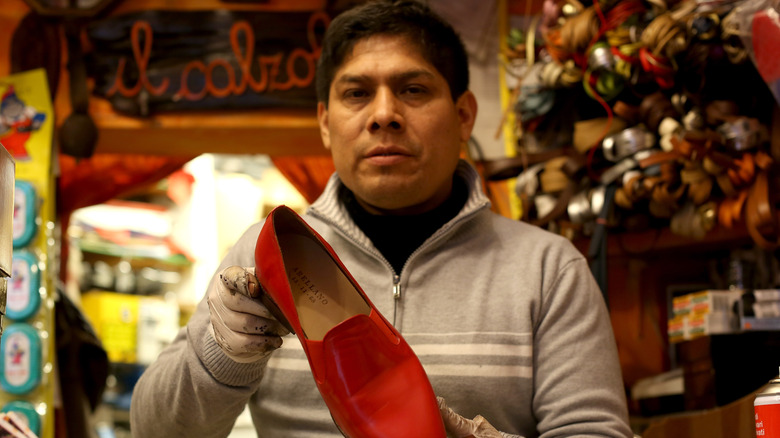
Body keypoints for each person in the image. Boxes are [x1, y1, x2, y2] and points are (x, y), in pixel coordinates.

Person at [130, 1, 633, 437]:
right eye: (356, 94)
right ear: (326, 123)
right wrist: (222, 354)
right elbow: (154, 433)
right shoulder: (263, 257)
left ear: (463, 116)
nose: (384, 114)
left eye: (413, 90)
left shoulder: (548, 270)